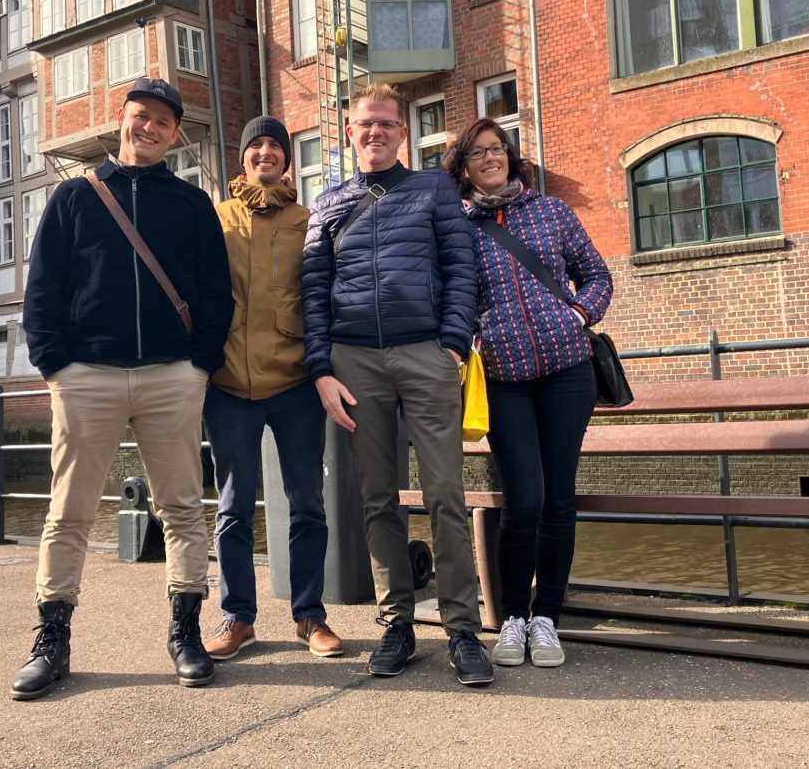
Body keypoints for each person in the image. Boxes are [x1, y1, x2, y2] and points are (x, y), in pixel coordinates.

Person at [15, 77, 233, 697]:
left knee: (184, 509)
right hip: (88, 375)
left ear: (173, 133)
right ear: (123, 120)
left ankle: (185, 631)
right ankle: (52, 638)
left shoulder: (191, 205)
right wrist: (55, 364)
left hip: (172, 375)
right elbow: (44, 289)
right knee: (70, 511)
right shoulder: (74, 198)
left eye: (163, 122)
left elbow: (216, 292)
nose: (150, 128)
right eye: (141, 117)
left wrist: (200, 363)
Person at [302, 83, 493, 686]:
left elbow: (463, 270)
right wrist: (322, 370)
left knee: (444, 495)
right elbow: (312, 295)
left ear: (402, 132)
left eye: (387, 123)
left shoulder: (436, 190)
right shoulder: (328, 204)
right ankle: (398, 624)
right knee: (377, 498)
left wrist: (452, 345)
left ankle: (463, 628)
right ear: (350, 132)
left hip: (424, 354)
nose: (376, 132)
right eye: (366, 124)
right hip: (355, 362)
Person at [444, 118, 612, 669]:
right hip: (504, 378)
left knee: (559, 497)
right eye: (478, 153)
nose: (490, 158)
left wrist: (578, 312)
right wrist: (469, 338)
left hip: (568, 371)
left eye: (497, 149)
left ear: (510, 157)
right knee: (524, 500)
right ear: (463, 166)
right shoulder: (456, 228)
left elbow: (597, 275)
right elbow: (450, 298)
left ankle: (548, 619)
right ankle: (513, 617)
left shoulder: (552, 212)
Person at [201, 116, 344, 661]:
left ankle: (310, 616)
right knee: (234, 506)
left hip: (295, 382)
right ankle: (238, 618)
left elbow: (327, 295)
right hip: (229, 382)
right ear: (243, 158)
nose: (265, 154)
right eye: (255, 146)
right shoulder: (215, 219)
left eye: (274, 147)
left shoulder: (309, 221)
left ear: (286, 159)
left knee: (307, 502)